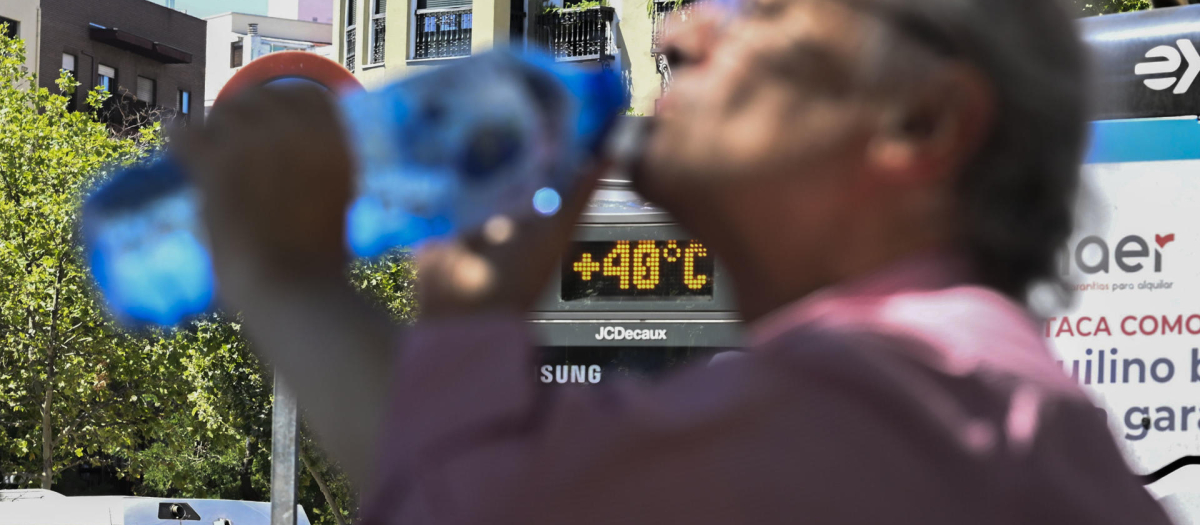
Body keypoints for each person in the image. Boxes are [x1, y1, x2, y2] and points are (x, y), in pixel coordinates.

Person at [178, 0, 1175, 522]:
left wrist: (287, 274)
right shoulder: (954, 396)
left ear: (922, 122)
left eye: (766, 10)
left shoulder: (917, 396)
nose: (676, 32)